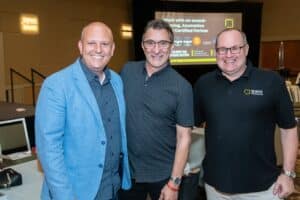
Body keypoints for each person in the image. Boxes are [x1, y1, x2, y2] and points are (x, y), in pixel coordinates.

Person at [194, 28, 299, 200]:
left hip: (263, 189)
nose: (229, 55)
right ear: (216, 52)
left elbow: (289, 130)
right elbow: (190, 125)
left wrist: (288, 174)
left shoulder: (271, 82)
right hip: (215, 188)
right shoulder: (204, 85)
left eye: (235, 48)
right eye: (222, 49)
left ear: (246, 49)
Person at [35, 21, 131, 200]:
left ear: (112, 49)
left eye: (104, 44)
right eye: (91, 43)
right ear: (80, 46)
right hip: (76, 193)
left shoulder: (117, 81)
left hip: (112, 188)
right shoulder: (56, 86)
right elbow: (49, 151)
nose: (98, 49)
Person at [119, 19, 194, 200]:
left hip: (163, 175)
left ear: (171, 47)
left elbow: (184, 138)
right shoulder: (127, 71)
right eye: (150, 43)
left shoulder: (182, 87)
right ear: (143, 45)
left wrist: (173, 184)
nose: (156, 49)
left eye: (163, 43)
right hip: (128, 174)